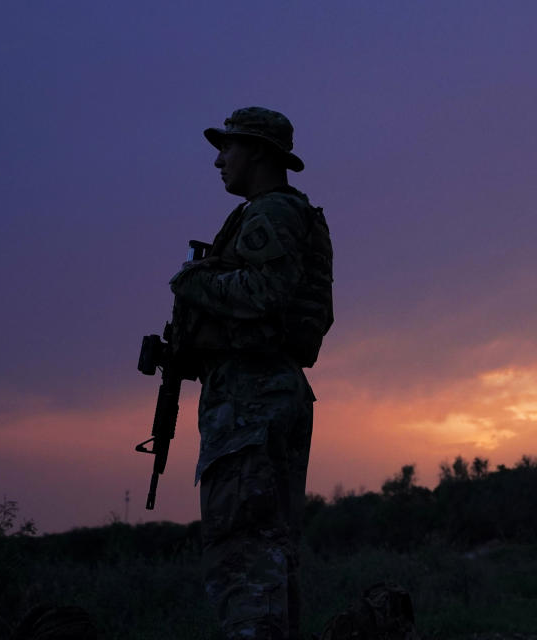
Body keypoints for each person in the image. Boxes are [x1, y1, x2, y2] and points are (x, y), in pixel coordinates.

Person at [168, 106, 334, 639]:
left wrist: (192, 282)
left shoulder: (273, 212)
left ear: (258, 152)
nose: (219, 160)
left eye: (229, 148)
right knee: (267, 555)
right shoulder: (279, 213)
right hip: (261, 396)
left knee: (244, 557)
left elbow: (265, 294)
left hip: (253, 403)